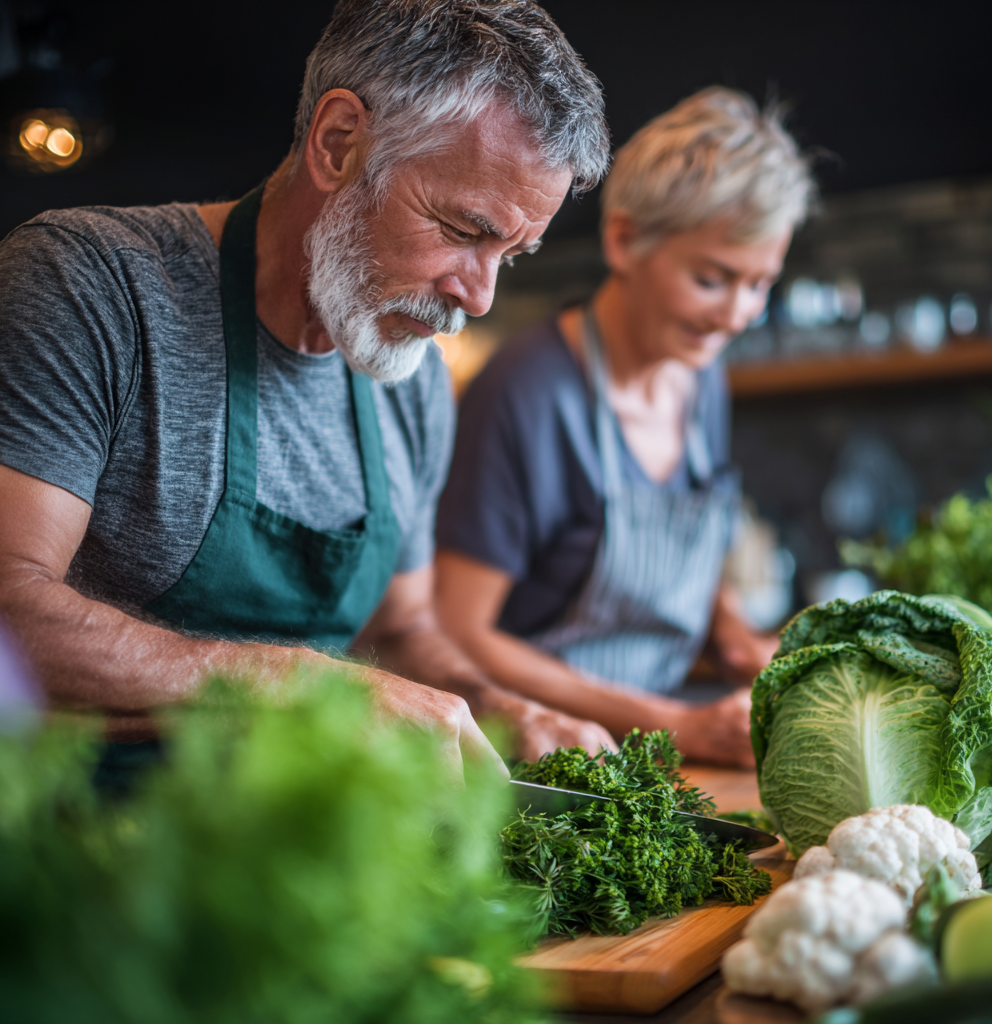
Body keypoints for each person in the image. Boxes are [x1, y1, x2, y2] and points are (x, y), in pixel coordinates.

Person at [0, 0, 616, 778]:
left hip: (292, 853)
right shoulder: (91, 286)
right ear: (338, 144)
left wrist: (494, 704)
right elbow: (7, 609)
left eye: (513, 255)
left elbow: (406, 630)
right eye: (464, 231)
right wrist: (296, 681)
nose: (481, 297)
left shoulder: (409, 377)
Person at [434, 88, 815, 767]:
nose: (736, 315)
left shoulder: (701, 378)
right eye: (712, 278)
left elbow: (683, 561)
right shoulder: (526, 393)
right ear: (624, 240)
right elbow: (459, 631)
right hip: (534, 764)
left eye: (759, 285)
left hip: (648, 760)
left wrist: (731, 634)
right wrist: (675, 724)